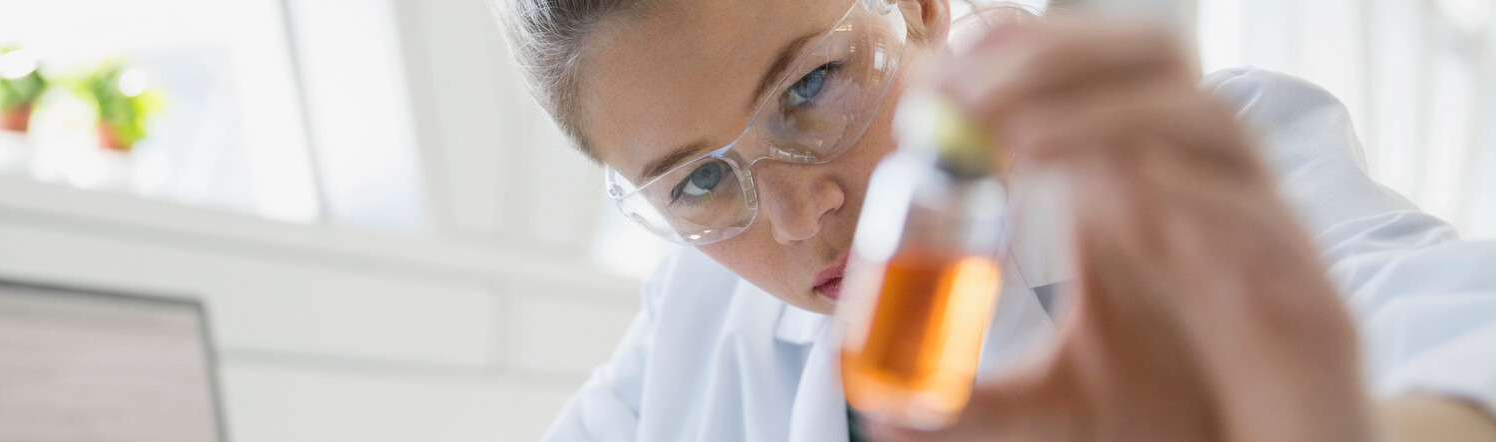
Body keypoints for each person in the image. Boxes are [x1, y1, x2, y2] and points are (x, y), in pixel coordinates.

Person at [492, 0, 1496, 440]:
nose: (802, 216)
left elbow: (1464, 341)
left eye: (811, 88)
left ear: (920, 7)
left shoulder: (1208, 161)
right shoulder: (693, 318)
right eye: (701, 183)